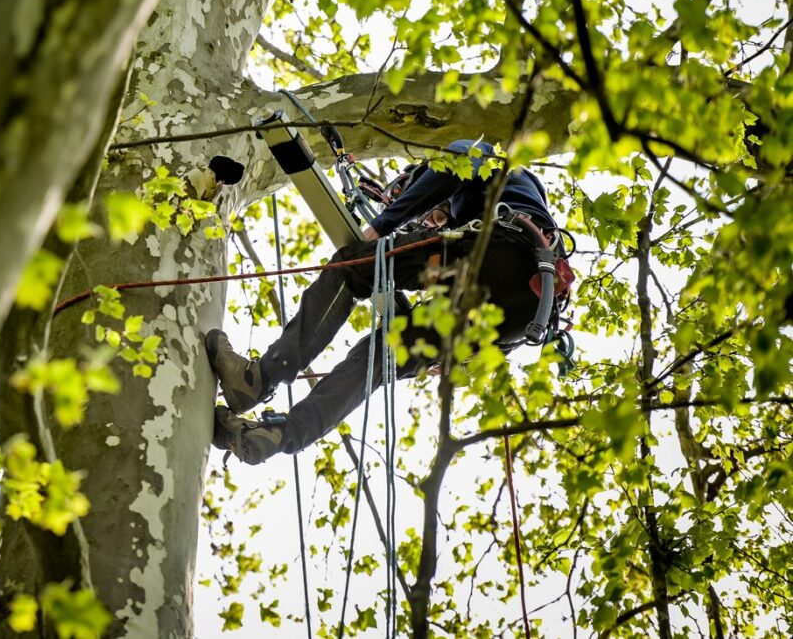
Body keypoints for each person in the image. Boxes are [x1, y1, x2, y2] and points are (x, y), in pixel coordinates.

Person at [207, 139, 560, 465]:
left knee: (353, 267)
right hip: (521, 317)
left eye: (436, 215)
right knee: (381, 356)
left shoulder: (487, 158)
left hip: (501, 255)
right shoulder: (527, 209)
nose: (434, 222)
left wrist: (383, 224)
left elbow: (455, 164)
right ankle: (279, 435)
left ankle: (260, 377)